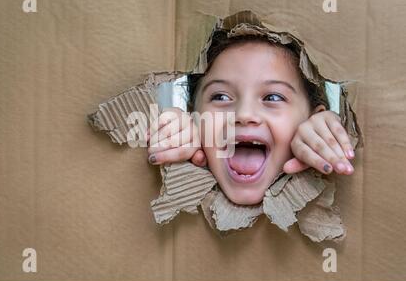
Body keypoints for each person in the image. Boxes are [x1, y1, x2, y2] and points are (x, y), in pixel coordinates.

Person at [147, 32, 355, 205]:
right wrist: (172, 131)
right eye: (220, 96)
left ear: (310, 119)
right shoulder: (195, 136)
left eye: (273, 97)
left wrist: (324, 136)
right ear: (193, 115)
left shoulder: (313, 131)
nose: (244, 114)